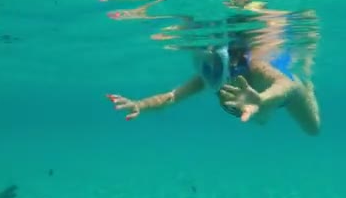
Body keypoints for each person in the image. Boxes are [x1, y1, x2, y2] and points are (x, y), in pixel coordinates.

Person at [106, 39, 321, 135]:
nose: (208, 73)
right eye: (204, 65)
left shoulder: (255, 67)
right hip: (254, 108)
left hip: (291, 95)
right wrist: (140, 105)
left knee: (313, 130)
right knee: (260, 121)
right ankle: (261, 111)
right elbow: (172, 97)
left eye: (214, 65)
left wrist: (262, 100)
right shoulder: (208, 76)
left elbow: (287, 85)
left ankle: (308, 78)